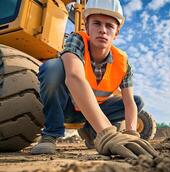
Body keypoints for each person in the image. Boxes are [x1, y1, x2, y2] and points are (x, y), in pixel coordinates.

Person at [30, 0, 157, 159]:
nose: (103, 30)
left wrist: (131, 133)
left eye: (109, 26)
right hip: (68, 107)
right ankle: (50, 135)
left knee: (137, 101)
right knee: (53, 68)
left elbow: (129, 102)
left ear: (116, 33)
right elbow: (74, 77)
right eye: (97, 23)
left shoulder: (122, 62)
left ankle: (91, 131)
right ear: (87, 26)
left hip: (94, 109)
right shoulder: (76, 40)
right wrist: (108, 132)